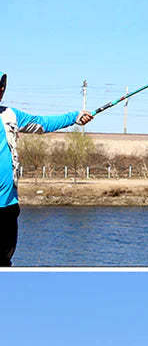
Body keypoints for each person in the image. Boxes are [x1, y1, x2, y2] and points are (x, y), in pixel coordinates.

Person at [0, 69, 94, 266]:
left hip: (7, 207)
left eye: (2, 86)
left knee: (4, 264)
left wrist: (74, 117)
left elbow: (42, 123)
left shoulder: (10, 115)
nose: (0, 89)